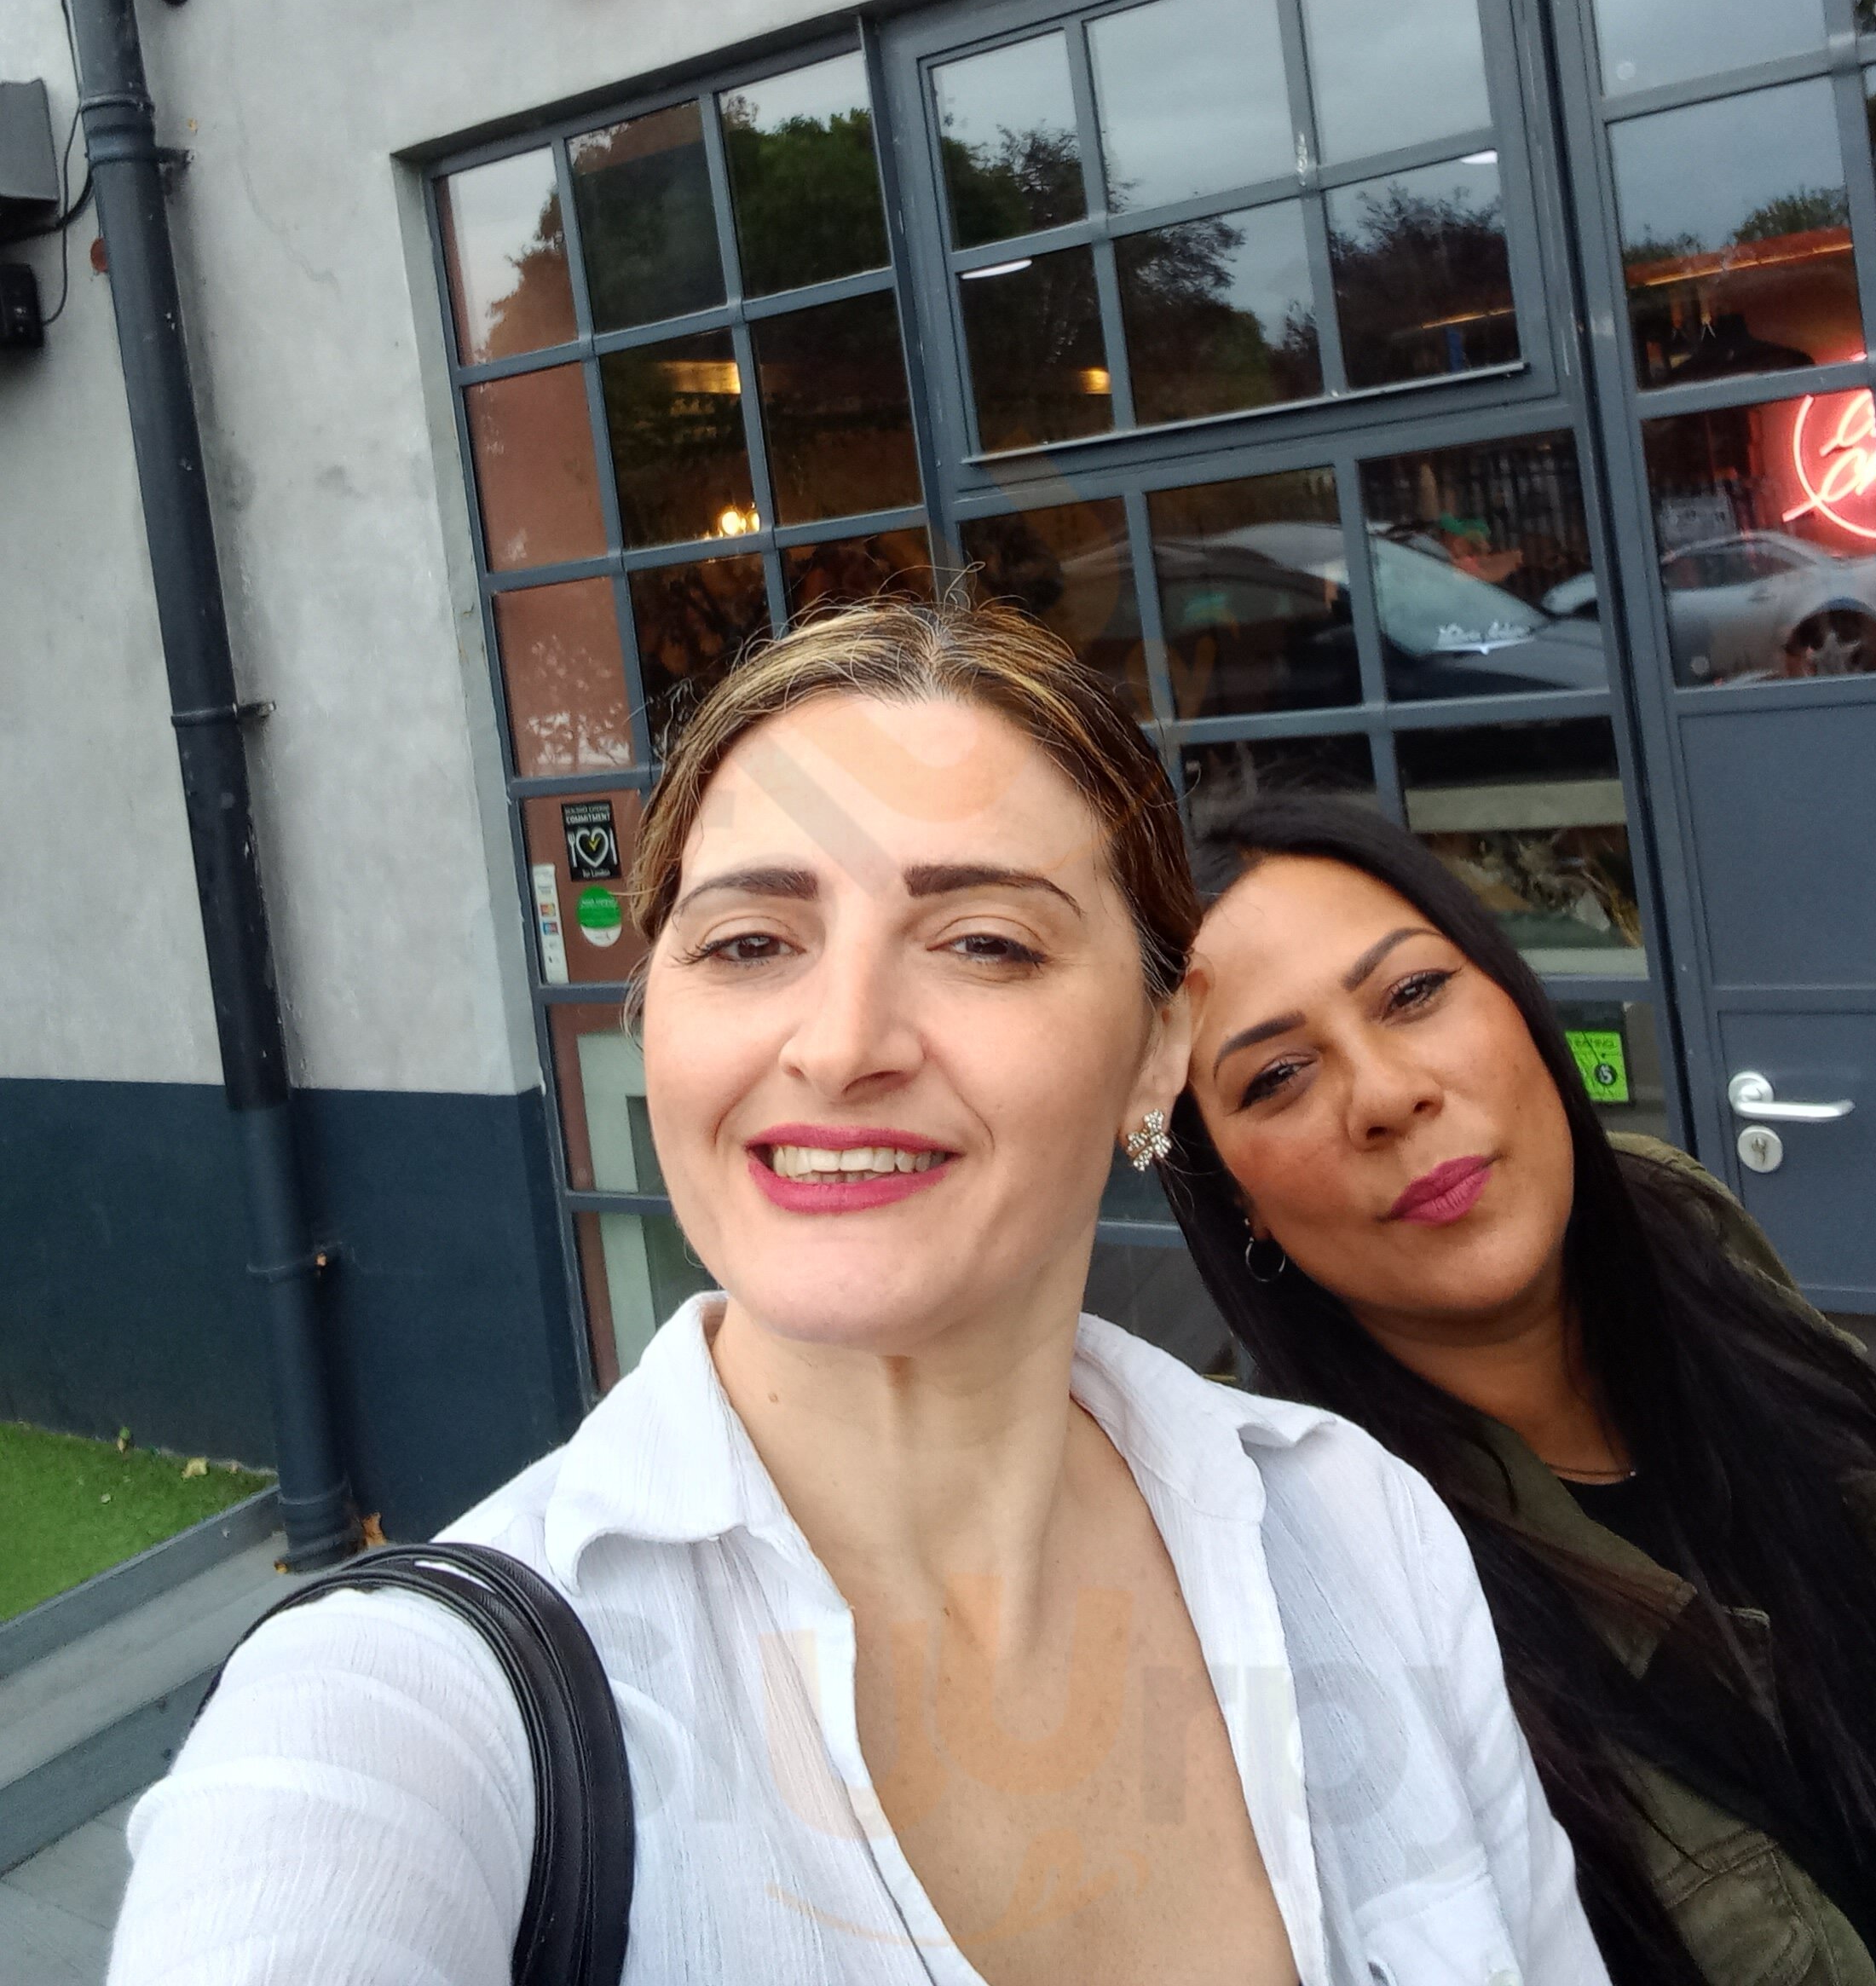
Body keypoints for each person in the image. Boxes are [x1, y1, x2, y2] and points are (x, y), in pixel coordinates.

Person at [110, 603, 1608, 1986]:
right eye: (750, 943)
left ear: (1161, 1046)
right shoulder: (408, 1707)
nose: (839, 1045)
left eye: (983, 943)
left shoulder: (1359, 1527)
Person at [1171, 791, 1876, 1986]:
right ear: (1235, 1194)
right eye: (1279, 1075)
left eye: (1413, 993)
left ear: (1514, 997)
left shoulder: (1681, 1232)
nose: (1388, 1095)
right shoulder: (1295, 1592)